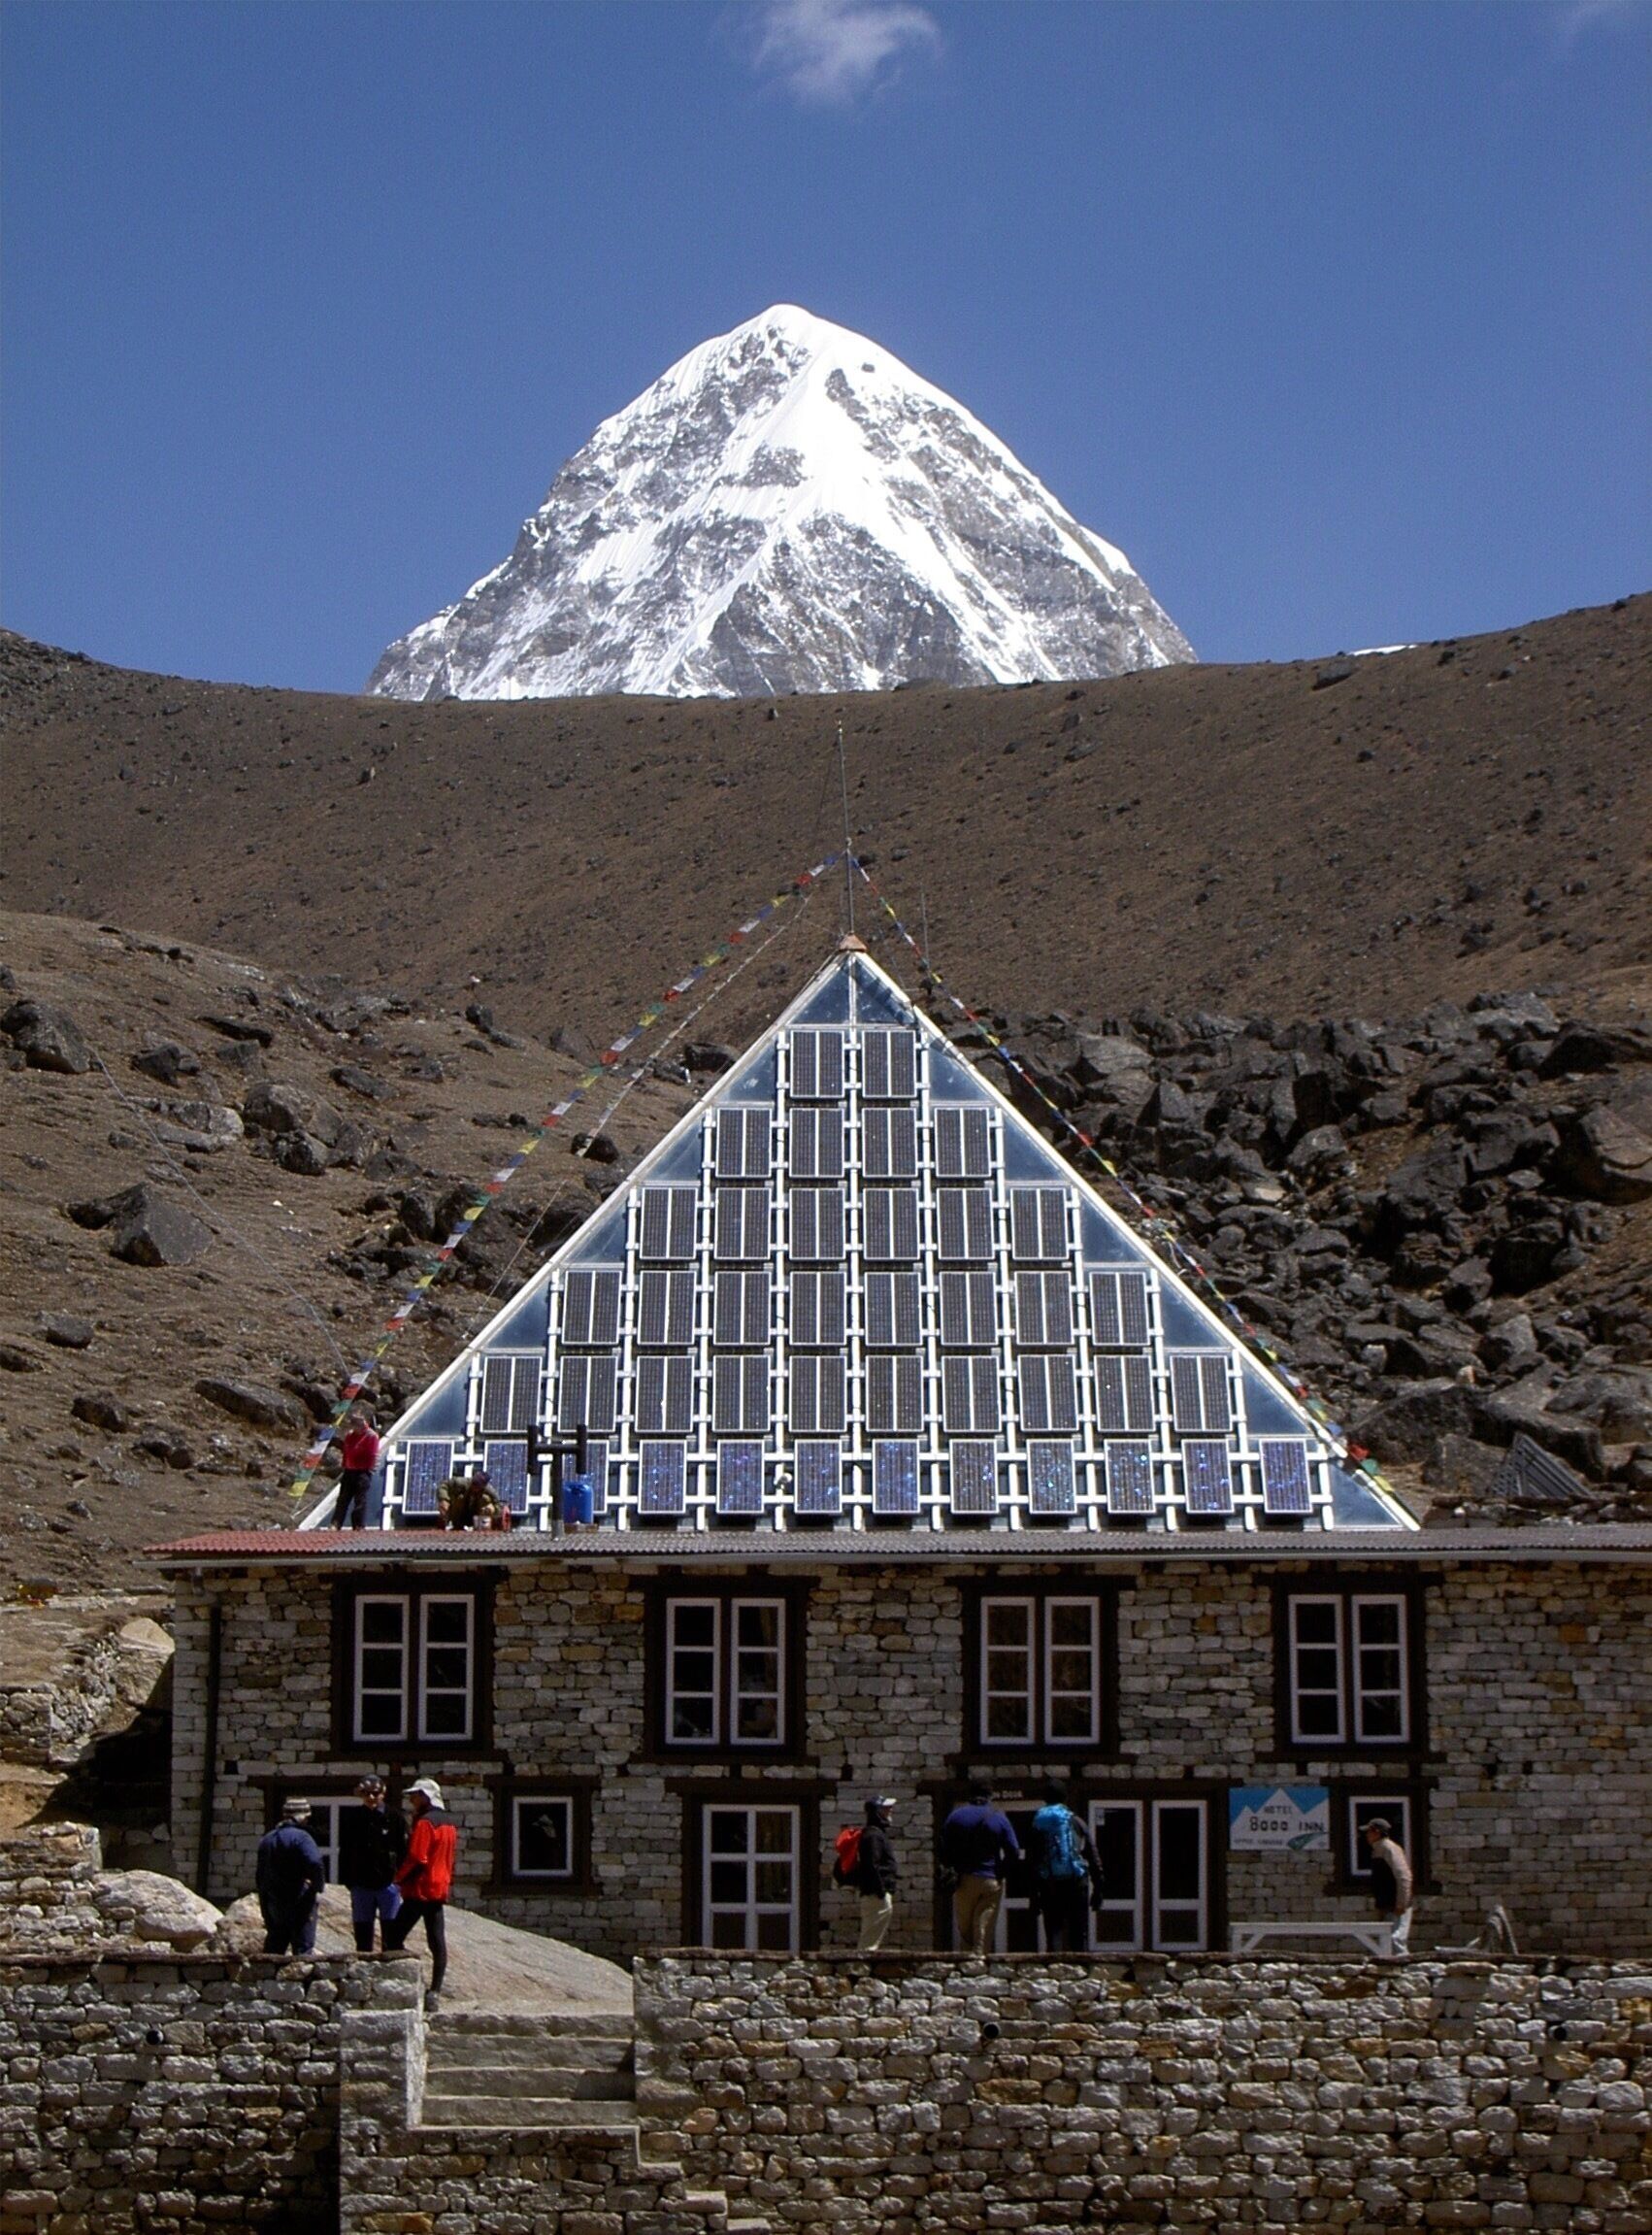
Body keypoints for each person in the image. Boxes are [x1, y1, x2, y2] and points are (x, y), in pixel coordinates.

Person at [382, 1777, 458, 2010]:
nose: (412, 1799)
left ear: (426, 1797)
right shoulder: (449, 1823)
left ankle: (402, 1983)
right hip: (439, 1888)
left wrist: (399, 1878)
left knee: (393, 1936)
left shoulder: (425, 1823)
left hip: (420, 1888)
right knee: (436, 1940)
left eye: (415, 1795)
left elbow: (418, 1857)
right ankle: (435, 1991)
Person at [939, 1780, 1020, 1956]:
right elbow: (1013, 1850)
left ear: (970, 1796)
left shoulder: (956, 1817)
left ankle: (966, 1962)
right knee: (984, 1922)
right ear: (989, 1796)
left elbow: (943, 1848)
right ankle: (980, 1959)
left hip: (964, 1879)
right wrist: (1001, 1872)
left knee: (965, 1926)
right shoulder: (998, 1818)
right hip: (990, 1878)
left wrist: (953, 1867)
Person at [1026, 1780, 1103, 1953]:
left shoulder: (1038, 1823)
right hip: (1077, 1881)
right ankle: (1079, 1973)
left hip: (1049, 1883)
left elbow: (1031, 1861)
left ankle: (1054, 1973)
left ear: (1044, 1799)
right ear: (1065, 1798)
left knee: (1054, 1930)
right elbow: (1093, 1854)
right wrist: (1098, 1888)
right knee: (1078, 1931)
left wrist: (1033, 1897)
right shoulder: (1076, 1821)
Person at [338, 1775, 407, 1953]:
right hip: (361, 1884)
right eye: (366, 1793)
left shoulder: (395, 1817)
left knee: (391, 1933)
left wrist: (400, 1880)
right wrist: (348, 1881)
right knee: (362, 1934)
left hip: (388, 1883)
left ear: (383, 1793)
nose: (371, 1798)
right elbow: (344, 1850)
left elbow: (404, 1850)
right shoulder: (353, 1818)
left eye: (375, 1793)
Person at [255, 1795, 326, 1955]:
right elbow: (315, 1862)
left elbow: (260, 1874)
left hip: (273, 1898)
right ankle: (302, 1980)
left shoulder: (267, 1838)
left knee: (275, 1943)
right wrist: (317, 1886)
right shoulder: (302, 1837)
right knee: (303, 1947)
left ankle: (268, 1978)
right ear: (302, 1817)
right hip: (298, 1897)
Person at [838, 1795, 900, 1951]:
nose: (890, 1810)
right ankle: (859, 1971)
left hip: (875, 1892)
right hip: (875, 1893)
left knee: (872, 1937)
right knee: (869, 1942)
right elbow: (871, 1865)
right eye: (885, 1808)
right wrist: (880, 1891)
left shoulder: (874, 1834)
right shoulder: (873, 1836)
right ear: (877, 1812)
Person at [1363, 1817, 1415, 1954]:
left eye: (1369, 1832)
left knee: (1395, 1940)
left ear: (1377, 1832)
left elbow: (1404, 1876)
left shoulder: (1390, 1848)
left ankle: (1408, 1972)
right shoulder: (1377, 1850)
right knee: (1385, 1942)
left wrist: (1401, 1903)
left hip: (1396, 1904)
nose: (1366, 1835)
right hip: (1386, 1904)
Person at [335, 1407, 380, 1530]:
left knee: (360, 1500)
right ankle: (336, 1523)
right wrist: (345, 1464)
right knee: (343, 1499)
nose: (357, 1425)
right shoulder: (350, 1436)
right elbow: (346, 1451)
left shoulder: (371, 1436)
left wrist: (370, 1469)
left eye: (359, 1422)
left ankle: (358, 1525)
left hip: (363, 1471)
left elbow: (373, 1454)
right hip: (349, 1470)